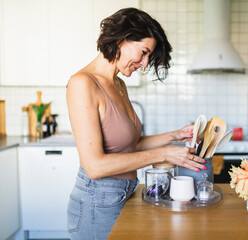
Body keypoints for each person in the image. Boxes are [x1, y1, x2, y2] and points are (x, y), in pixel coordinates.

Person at [66, 8, 205, 240]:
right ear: (122, 38)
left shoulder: (119, 85)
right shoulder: (82, 84)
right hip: (96, 205)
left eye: (148, 56)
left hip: (122, 196)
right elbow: (95, 166)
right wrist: (166, 154)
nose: (144, 63)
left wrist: (175, 136)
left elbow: (130, 146)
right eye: (143, 52)